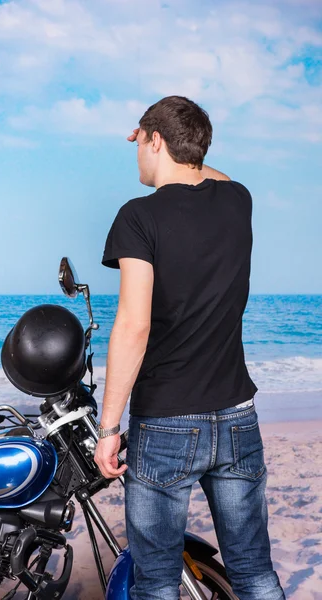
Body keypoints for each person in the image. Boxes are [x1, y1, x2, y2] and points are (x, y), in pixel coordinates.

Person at [94, 96, 286, 600]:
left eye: (141, 139)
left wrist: (109, 427)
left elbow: (133, 326)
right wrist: (185, 152)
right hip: (238, 417)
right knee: (254, 572)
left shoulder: (138, 217)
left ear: (154, 140)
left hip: (166, 424)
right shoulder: (236, 200)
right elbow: (210, 176)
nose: (135, 150)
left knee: (156, 582)